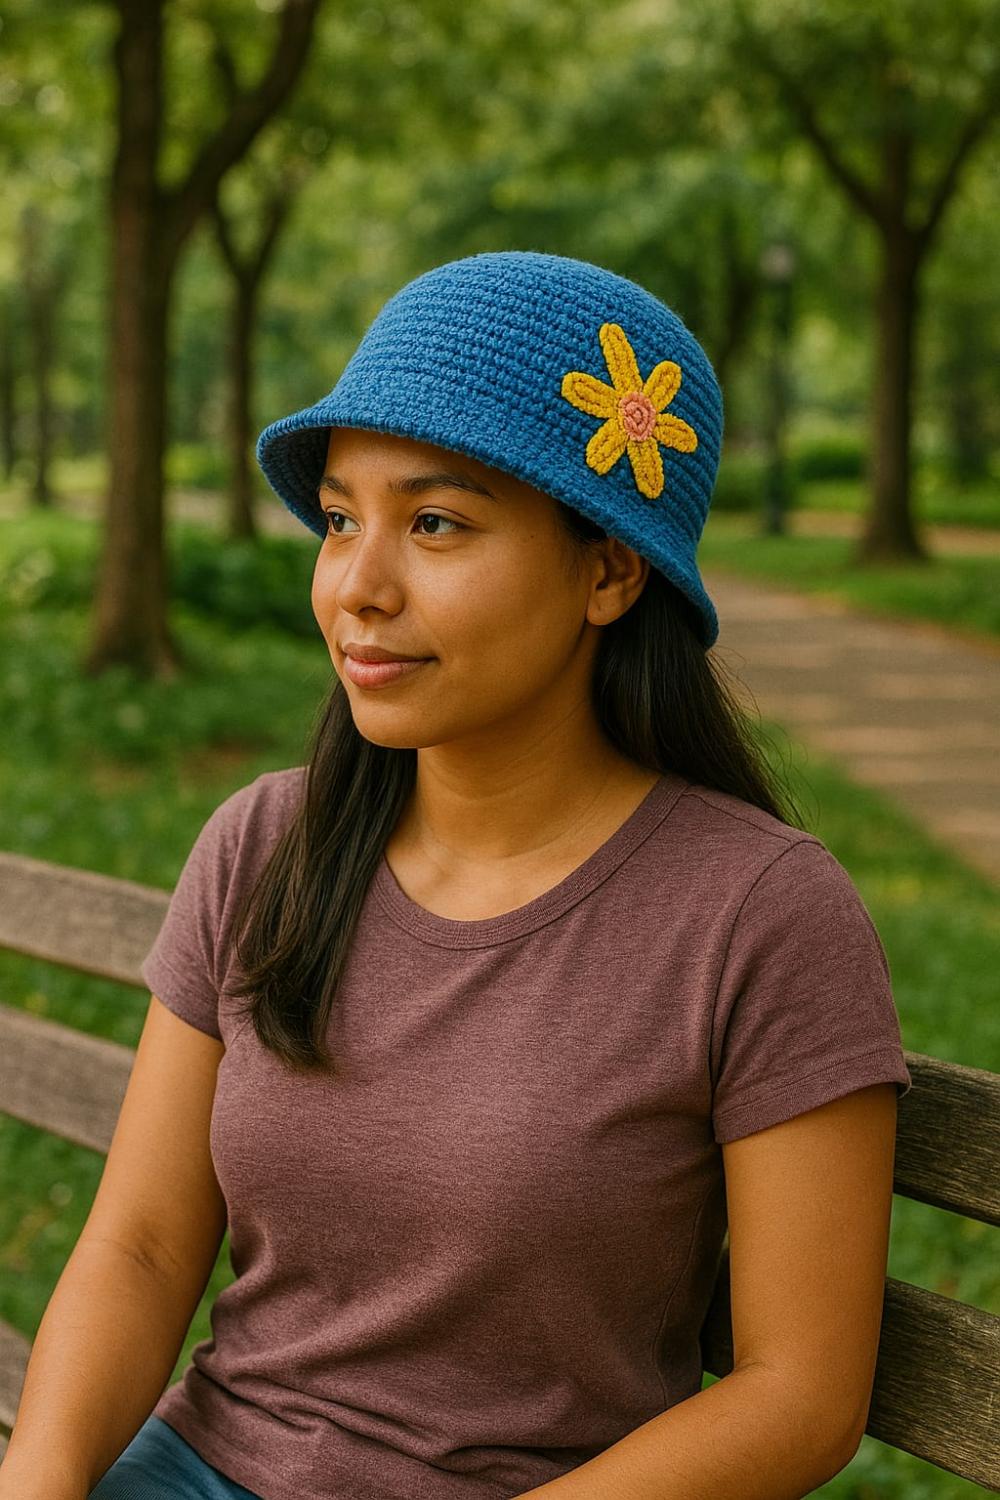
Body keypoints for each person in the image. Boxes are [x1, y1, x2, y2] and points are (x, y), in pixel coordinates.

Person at [3, 251, 912, 1500]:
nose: (358, 588)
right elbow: (145, 1247)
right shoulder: (267, 845)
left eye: (435, 523)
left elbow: (798, 1395)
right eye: (340, 520)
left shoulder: (757, 916)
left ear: (609, 570)